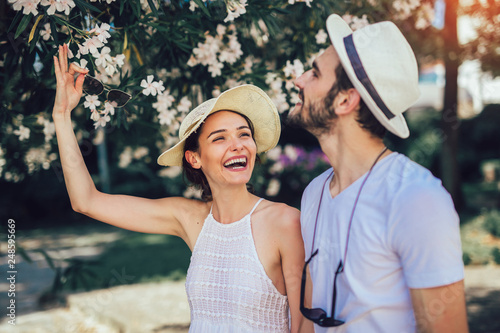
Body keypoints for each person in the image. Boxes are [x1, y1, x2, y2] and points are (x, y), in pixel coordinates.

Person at [52, 44, 305, 332]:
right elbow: (86, 201)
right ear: (194, 158)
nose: (237, 144)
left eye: (244, 134)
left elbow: (303, 326)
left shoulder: (285, 222)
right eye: (219, 138)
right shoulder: (190, 219)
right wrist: (61, 116)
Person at [288, 15, 468, 332]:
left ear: (345, 100)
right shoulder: (314, 193)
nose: (298, 80)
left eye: (314, 73)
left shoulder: (416, 198)